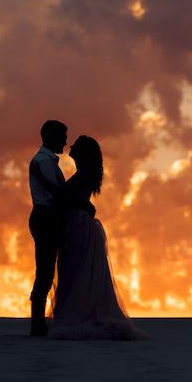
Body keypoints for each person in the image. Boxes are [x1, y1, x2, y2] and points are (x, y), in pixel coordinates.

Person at [48, 135, 146, 341]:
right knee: (74, 270)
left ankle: (74, 314)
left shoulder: (83, 174)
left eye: (76, 145)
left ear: (82, 152)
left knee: (73, 270)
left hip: (78, 226)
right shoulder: (84, 174)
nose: (70, 146)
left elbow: (63, 196)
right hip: (79, 223)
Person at [27, 120, 68, 337]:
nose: (65, 140)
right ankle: (37, 323)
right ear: (51, 136)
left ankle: (39, 322)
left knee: (46, 269)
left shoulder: (46, 160)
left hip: (47, 217)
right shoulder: (44, 161)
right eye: (63, 135)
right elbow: (56, 192)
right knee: (45, 270)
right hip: (45, 218)